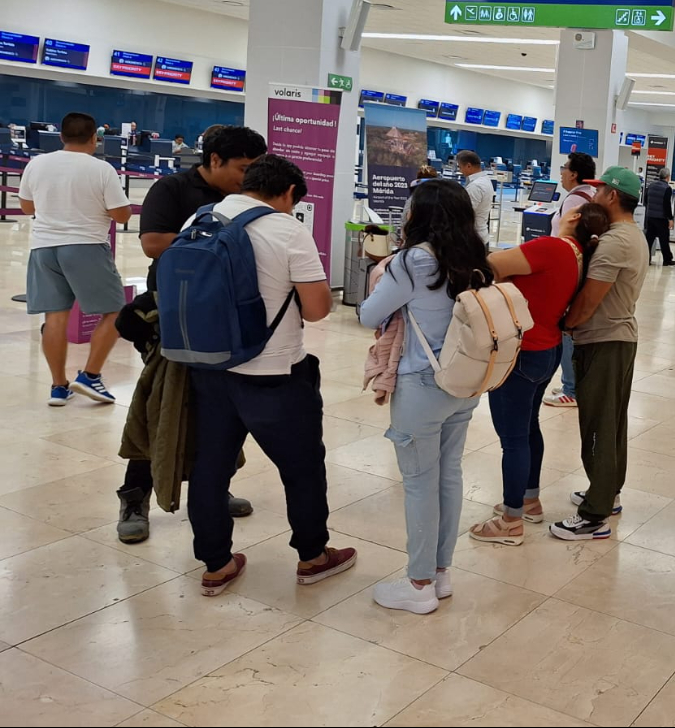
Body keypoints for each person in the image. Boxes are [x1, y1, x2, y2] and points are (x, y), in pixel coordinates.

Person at [185, 155, 351, 597]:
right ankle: (313, 557)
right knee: (301, 469)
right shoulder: (287, 229)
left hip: (210, 368)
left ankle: (216, 564)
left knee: (210, 469)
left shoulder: (202, 218)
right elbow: (316, 311)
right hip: (274, 373)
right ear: (290, 193)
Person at [116, 124, 267, 543]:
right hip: (174, 314)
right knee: (159, 405)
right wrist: (221, 243)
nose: (248, 176)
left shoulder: (246, 198)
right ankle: (135, 497)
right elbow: (152, 243)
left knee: (217, 410)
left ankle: (214, 487)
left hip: (224, 317)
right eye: (242, 167)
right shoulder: (173, 190)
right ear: (214, 160)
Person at [359, 179, 492, 612]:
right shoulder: (475, 257)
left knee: (418, 483)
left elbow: (368, 315)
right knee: (448, 475)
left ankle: (418, 587)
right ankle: (440, 573)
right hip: (464, 382)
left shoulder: (412, 261)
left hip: (422, 383)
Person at [470, 201, 610, 545]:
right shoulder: (580, 257)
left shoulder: (552, 247)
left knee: (513, 438)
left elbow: (491, 264)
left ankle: (510, 521)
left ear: (573, 217)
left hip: (520, 352)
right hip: (547, 349)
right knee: (528, 427)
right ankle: (529, 499)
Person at [551, 167, 647, 541]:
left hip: (605, 340)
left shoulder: (614, 243)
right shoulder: (628, 235)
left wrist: (565, 325)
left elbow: (589, 301)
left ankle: (594, 516)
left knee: (598, 426)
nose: (593, 195)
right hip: (617, 338)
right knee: (611, 422)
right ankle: (607, 492)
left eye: (599, 189)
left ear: (612, 195)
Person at [19, 112, 132, 406]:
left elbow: (26, 206)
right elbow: (121, 215)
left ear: (60, 136)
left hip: (43, 248)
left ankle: (58, 387)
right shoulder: (101, 169)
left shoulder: (37, 163)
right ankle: (91, 376)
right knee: (115, 312)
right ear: (95, 138)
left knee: (54, 317)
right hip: (85, 246)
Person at [544, 152, 597, 408]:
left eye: (564, 168)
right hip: (579, 269)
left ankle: (571, 389)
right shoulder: (589, 195)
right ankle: (571, 381)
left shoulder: (575, 198)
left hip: (568, 270)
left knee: (566, 330)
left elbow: (567, 239)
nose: (562, 172)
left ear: (574, 173)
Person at [457, 149, 494, 248]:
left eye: (460, 167)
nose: (460, 171)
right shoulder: (484, 180)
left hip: (472, 241)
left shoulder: (476, 186)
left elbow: (464, 214)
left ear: (468, 166)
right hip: (480, 237)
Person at [643, 167, 675, 266]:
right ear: (668, 177)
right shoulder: (667, 188)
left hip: (650, 217)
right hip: (661, 218)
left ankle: (646, 259)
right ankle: (667, 260)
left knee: (649, 239)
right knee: (664, 239)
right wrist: (670, 219)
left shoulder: (651, 186)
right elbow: (667, 205)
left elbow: (645, 200)